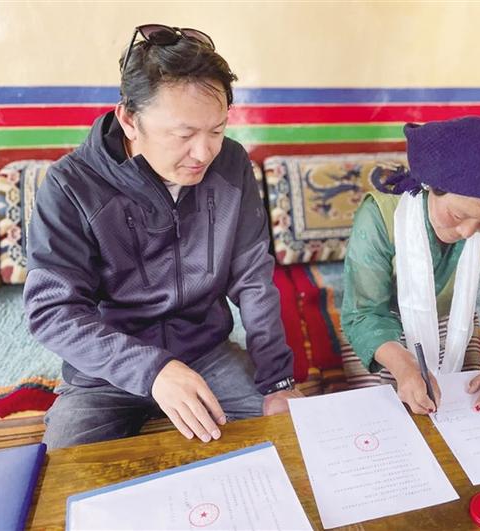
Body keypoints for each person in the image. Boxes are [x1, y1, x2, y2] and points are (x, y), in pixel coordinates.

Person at [24, 24, 302, 450]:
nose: (204, 152)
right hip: (107, 373)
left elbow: (252, 277)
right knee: (67, 471)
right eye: (184, 134)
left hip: (206, 353)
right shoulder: (70, 186)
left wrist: (278, 380)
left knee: (285, 442)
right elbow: (52, 311)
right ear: (129, 120)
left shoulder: (231, 165)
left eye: (217, 130)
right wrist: (152, 370)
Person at [341, 116, 480, 421]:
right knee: (384, 420)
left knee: (469, 413)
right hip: (380, 334)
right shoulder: (379, 217)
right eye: (457, 216)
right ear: (431, 187)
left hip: (455, 326)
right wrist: (403, 365)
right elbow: (364, 312)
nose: (467, 232)